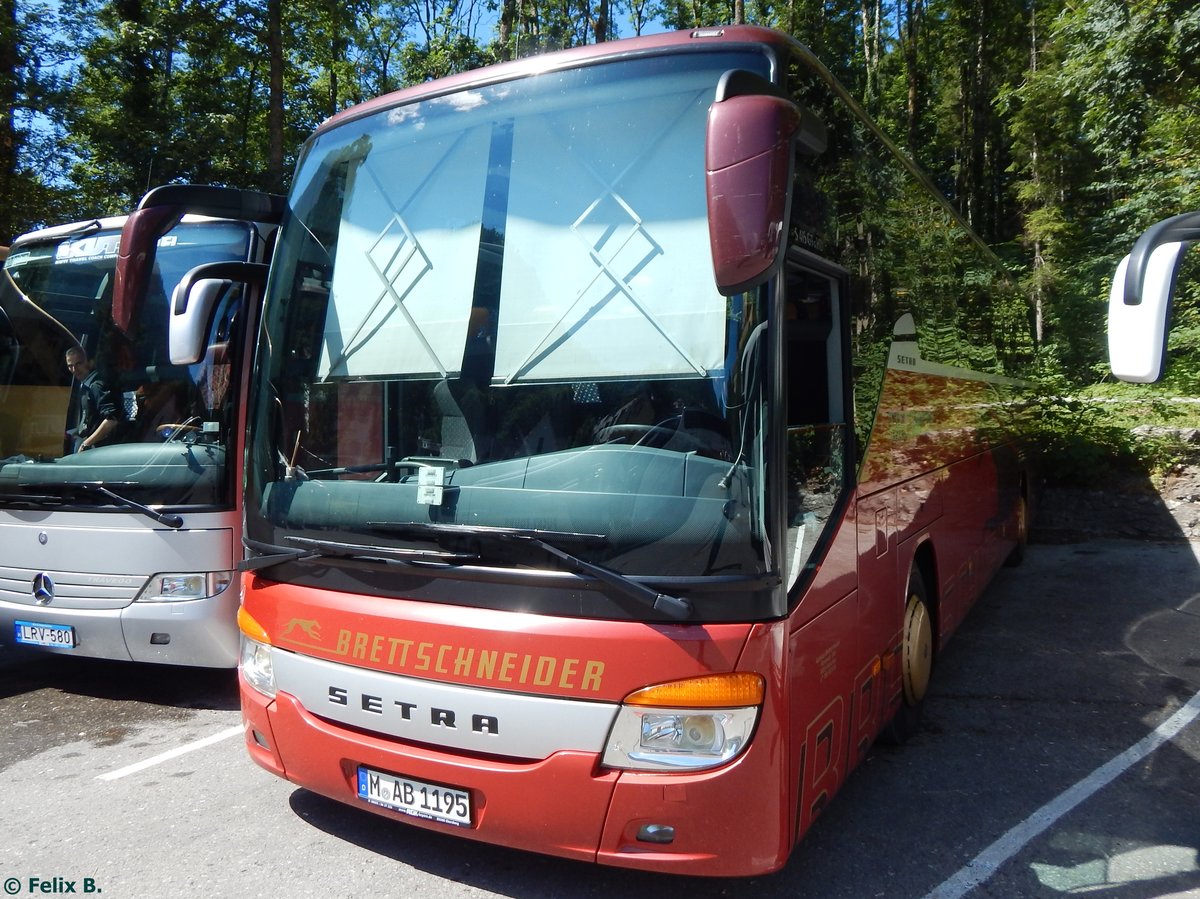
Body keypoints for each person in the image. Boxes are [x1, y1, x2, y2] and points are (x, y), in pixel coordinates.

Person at [65, 346, 122, 451]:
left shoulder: (96, 386)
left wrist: (86, 444)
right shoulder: (85, 386)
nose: (74, 370)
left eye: (78, 364)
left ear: (91, 362)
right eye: (70, 366)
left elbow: (111, 420)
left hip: (99, 450)